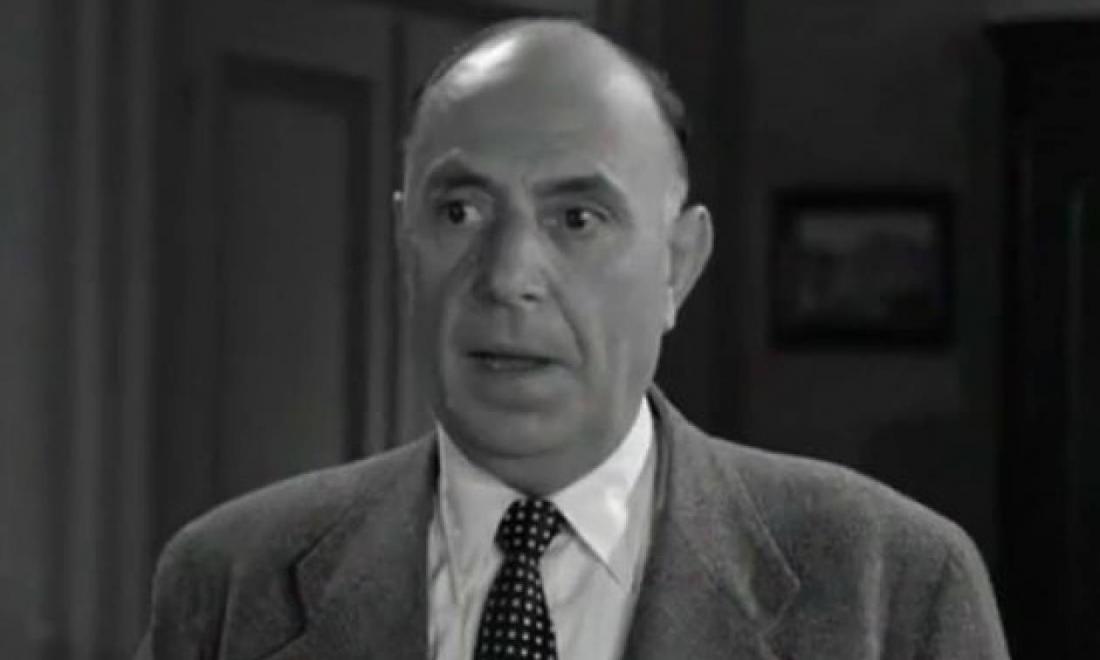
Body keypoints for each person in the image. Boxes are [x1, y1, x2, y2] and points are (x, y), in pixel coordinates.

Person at [137, 18, 1009, 660]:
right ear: (406, 247)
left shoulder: (895, 585)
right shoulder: (225, 585)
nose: (508, 274)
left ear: (678, 266)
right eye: (460, 211)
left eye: (578, 218)